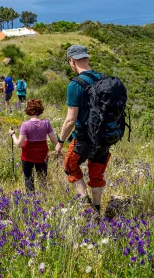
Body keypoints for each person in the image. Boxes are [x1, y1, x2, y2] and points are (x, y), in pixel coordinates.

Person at [55, 44, 118, 214]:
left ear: (71, 60)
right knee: (96, 174)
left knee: (70, 166)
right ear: (87, 58)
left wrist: (60, 141)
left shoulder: (75, 85)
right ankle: (97, 210)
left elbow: (70, 120)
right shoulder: (103, 79)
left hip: (84, 138)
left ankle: (87, 207)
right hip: (105, 136)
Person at [9, 99, 58, 192]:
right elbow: (54, 140)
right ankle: (44, 198)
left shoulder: (25, 125)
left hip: (28, 156)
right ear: (40, 110)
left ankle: (31, 199)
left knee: (28, 178)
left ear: (28, 110)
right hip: (42, 155)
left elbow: (19, 144)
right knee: (42, 178)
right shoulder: (46, 123)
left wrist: (12, 135)